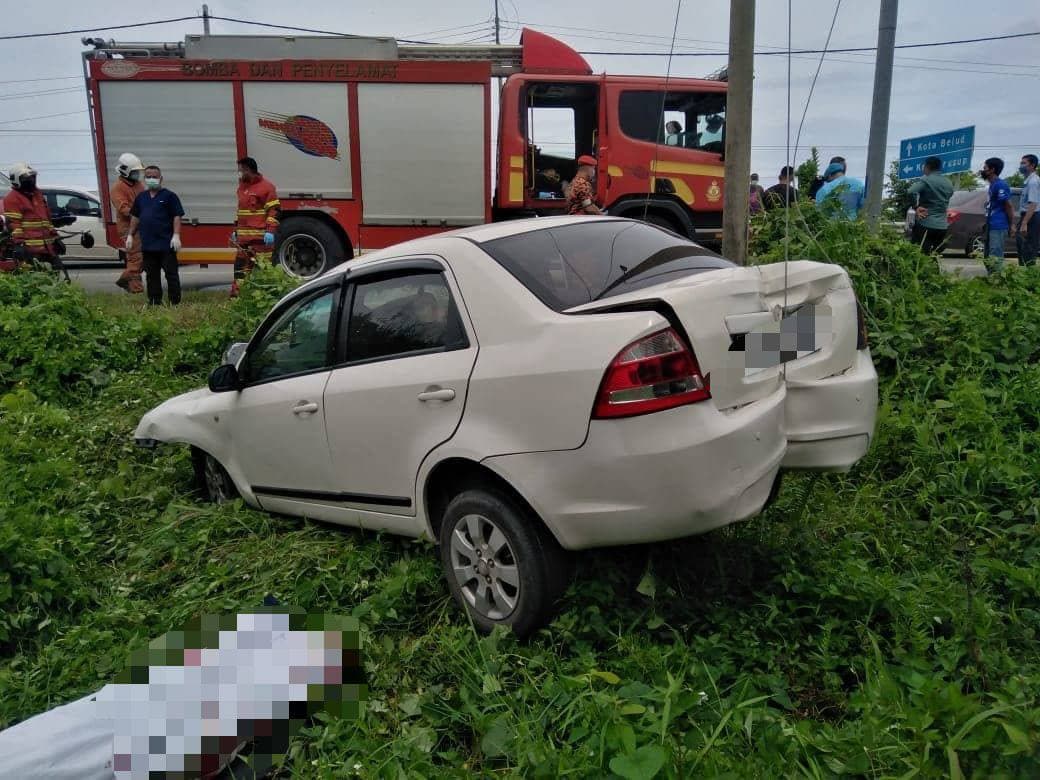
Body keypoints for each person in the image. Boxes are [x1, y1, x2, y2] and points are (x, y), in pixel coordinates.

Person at [127, 165, 183, 306]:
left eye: (154, 177)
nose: (151, 179)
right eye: (148, 177)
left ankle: (174, 302)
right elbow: (135, 217)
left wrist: (176, 235)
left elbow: (176, 216)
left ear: (161, 178)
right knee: (151, 275)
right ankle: (154, 301)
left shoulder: (170, 196)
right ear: (144, 179)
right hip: (148, 245)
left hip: (166, 244)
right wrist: (130, 235)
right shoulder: (141, 198)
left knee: (171, 274)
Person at [2, 162, 67, 275]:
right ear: (17, 180)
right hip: (30, 250)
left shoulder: (38, 195)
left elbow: (47, 222)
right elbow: (14, 224)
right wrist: (19, 245)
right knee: (36, 278)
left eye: (33, 177)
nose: (31, 180)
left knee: (59, 275)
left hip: (47, 249)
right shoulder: (12, 199)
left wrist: (56, 238)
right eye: (27, 178)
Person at [231, 156, 280, 297]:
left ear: (248, 170)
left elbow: (274, 211)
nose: (239, 173)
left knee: (263, 272)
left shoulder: (267, 187)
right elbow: (241, 212)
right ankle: (237, 298)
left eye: (241, 170)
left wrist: (270, 231)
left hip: (260, 240)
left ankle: (266, 299)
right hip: (243, 240)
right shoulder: (242, 187)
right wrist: (236, 231)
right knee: (240, 271)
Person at [110, 152, 145, 294]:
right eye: (135, 172)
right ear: (125, 171)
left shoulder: (138, 185)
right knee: (136, 257)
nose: (137, 174)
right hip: (129, 229)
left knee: (143, 257)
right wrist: (141, 215)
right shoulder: (118, 188)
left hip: (141, 226)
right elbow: (124, 208)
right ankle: (136, 289)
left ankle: (125, 279)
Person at [908, 156, 954, 255]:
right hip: (942, 226)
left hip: (926, 223)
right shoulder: (948, 183)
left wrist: (916, 207)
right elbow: (950, 194)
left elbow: (911, 192)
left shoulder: (926, 180)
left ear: (927, 167)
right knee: (934, 255)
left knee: (920, 256)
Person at [980, 157, 1014, 273]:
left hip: (998, 225)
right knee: (987, 256)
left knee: (995, 255)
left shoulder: (1000, 185)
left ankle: (997, 279)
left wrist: (1011, 225)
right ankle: (992, 278)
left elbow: (1009, 206)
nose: (983, 170)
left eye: (985, 168)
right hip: (990, 224)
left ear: (992, 170)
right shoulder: (992, 184)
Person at [1013, 153, 1039, 267]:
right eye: (1021, 163)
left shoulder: (1033, 182)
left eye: (1024, 163)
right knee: (1021, 245)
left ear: (1032, 165)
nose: (1021, 165)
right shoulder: (1028, 181)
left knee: (1029, 247)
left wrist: (1024, 223)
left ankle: (1029, 273)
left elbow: (1033, 204)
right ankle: (1024, 271)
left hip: (1032, 217)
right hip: (1027, 216)